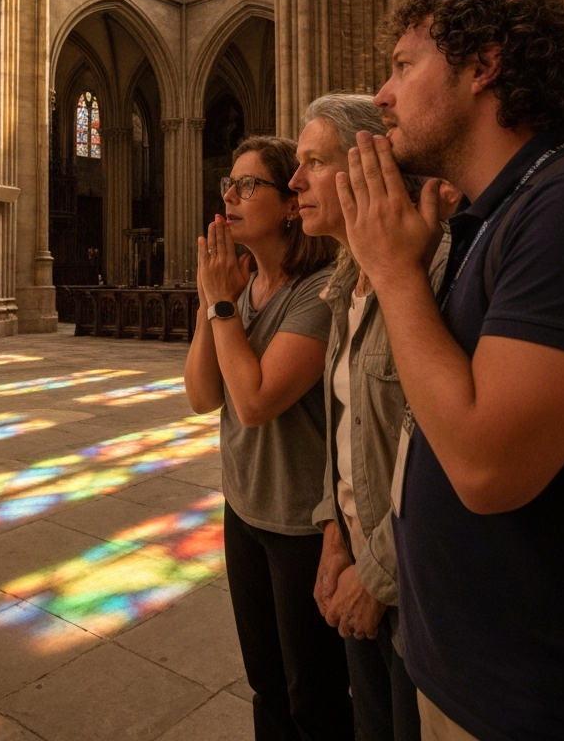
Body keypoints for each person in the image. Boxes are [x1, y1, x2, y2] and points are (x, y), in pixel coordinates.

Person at [336, 0, 564, 741]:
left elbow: (485, 467)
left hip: (550, 702)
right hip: (461, 673)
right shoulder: (494, 219)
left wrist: (393, 271)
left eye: (405, 66)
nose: (381, 94)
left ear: (485, 66)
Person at [289, 94, 454, 741]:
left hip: (411, 586)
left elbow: (436, 449)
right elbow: (346, 427)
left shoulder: (428, 272)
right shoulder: (343, 281)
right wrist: (333, 535)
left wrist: (375, 574)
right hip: (356, 565)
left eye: (314, 163)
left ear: (368, 166)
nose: (295, 182)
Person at [184, 135, 353, 741]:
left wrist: (221, 304)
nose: (230, 195)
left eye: (248, 185)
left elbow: (253, 403)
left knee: (316, 697)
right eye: (228, 185)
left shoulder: (320, 288)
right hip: (245, 508)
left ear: (288, 205)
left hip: (303, 523)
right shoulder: (238, 287)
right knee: (266, 687)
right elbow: (204, 396)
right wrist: (214, 299)